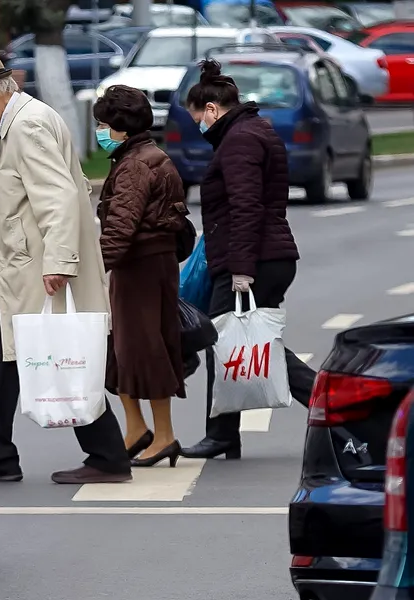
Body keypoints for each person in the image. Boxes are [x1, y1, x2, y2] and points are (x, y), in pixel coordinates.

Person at [0, 52, 132, 485]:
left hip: (37, 269)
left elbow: (59, 197)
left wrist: (59, 262)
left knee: (58, 359)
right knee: (6, 356)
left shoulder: (25, 125)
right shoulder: (26, 119)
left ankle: (104, 455)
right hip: (25, 268)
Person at [180, 59, 316, 461]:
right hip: (264, 256)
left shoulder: (239, 140)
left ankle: (335, 402)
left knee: (225, 340)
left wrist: (240, 268)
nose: (198, 129)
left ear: (211, 109)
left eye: (197, 119)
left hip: (254, 261)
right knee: (245, 341)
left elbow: (246, 207)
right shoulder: (250, 130)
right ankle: (224, 433)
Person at [93, 85, 189, 468]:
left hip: (141, 268)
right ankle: (137, 429)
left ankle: (163, 435)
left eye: (103, 124)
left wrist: (94, 266)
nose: (100, 131)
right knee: (124, 351)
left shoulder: (135, 164)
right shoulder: (146, 155)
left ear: (120, 127)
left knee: (145, 350)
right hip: (151, 264)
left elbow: (122, 226)